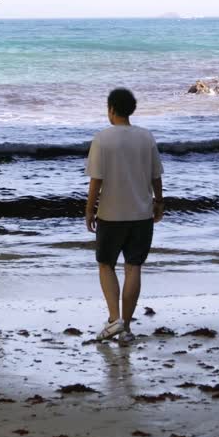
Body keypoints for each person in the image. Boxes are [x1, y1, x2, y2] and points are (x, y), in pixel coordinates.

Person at [85, 87, 164, 341]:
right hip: (141, 214)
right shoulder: (146, 137)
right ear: (131, 109)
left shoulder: (102, 138)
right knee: (134, 267)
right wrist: (159, 203)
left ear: (111, 109)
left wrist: (89, 210)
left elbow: (96, 181)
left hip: (111, 214)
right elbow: (156, 176)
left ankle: (114, 319)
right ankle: (126, 327)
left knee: (106, 264)